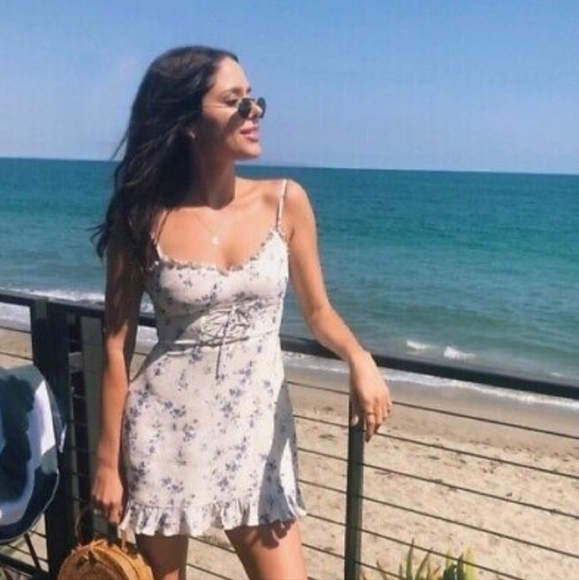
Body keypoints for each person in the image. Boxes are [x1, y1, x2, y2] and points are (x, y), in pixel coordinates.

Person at [90, 45, 392, 580]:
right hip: (163, 433)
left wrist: (358, 358)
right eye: (235, 102)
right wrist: (107, 464)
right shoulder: (140, 219)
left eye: (254, 100)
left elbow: (319, 311)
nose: (254, 112)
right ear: (188, 123)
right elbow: (116, 347)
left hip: (256, 437)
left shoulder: (284, 201)